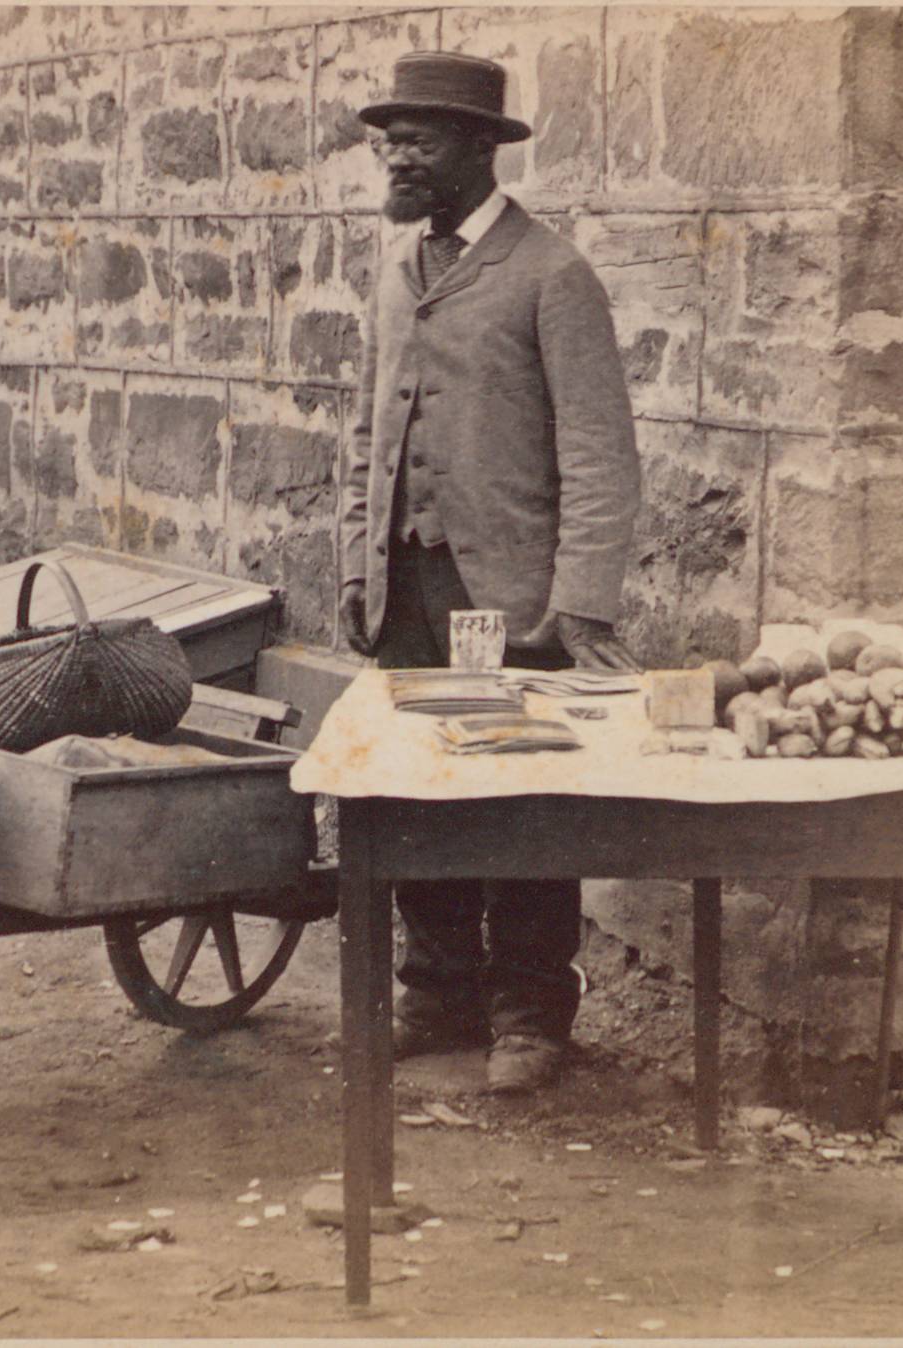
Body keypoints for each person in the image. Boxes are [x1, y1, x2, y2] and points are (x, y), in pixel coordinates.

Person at [337, 51, 643, 1094]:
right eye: (389, 139)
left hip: (509, 598)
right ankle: (438, 992)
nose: (396, 156)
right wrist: (355, 562)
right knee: (418, 791)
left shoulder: (552, 275)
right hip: (407, 587)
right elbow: (365, 427)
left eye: (417, 139)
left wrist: (581, 598)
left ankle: (529, 1012)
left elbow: (601, 451)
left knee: (522, 804)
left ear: (478, 148)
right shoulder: (394, 270)